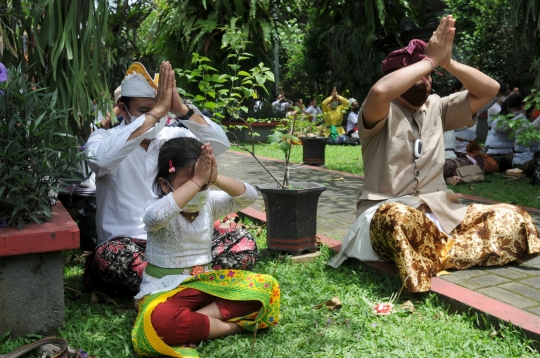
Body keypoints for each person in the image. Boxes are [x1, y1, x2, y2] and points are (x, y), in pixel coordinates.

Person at [328, 15, 540, 293]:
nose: (425, 81)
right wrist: (429, 61)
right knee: (397, 219)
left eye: (429, 75)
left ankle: (437, 253)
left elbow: (490, 90)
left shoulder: (437, 107)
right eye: (418, 73)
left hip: (441, 216)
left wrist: (446, 61)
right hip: (388, 214)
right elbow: (380, 91)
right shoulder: (380, 108)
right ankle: (449, 252)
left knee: (512, 216)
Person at [83, 61, 230, 296]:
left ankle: (173, 282)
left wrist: (181, 109)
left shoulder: (174, 136)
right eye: (145, 110)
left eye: (162, 109)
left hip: (179, 248)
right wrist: (156, 114)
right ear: (123, 107)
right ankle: (191, 281)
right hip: (131, 247)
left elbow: (221, 144)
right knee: (111, 259)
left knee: (242, 243)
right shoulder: (103, 138)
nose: (156, 116)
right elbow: (100, 161)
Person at [131, 137, 280, 357]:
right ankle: (232, 327)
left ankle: (196, 322)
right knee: (158, 321)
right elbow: (156, 217)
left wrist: (215, 177)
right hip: (164, 289)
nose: (198, 191)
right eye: (189, 185)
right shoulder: (157, 207)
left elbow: (249, 195)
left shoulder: (209, 202)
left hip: (205, 284)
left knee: (266, 287)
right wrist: (198, 180)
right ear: (165, 185)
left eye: (204, 185)